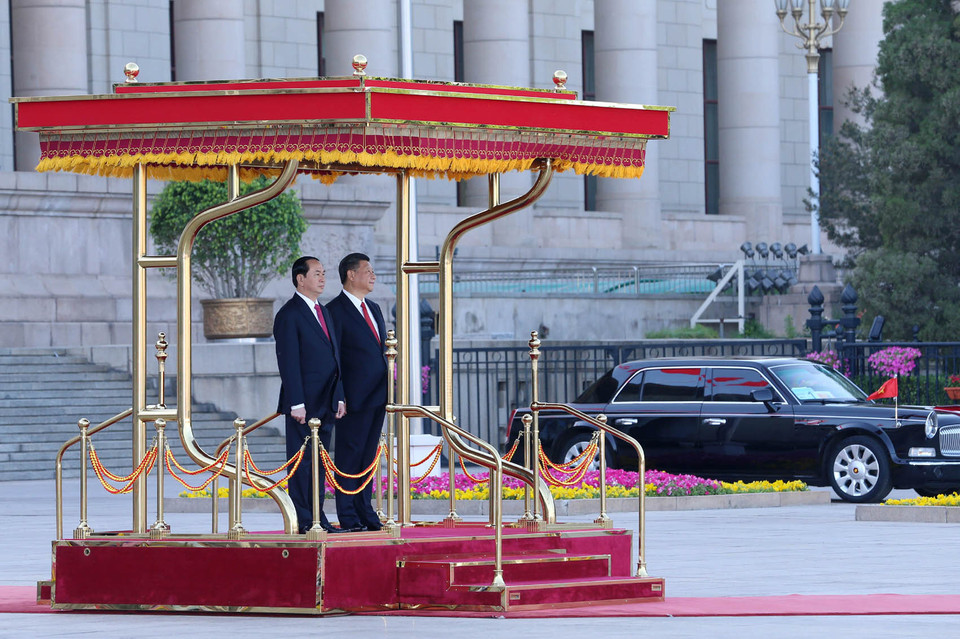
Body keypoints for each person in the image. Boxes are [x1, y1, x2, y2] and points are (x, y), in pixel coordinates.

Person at [273, 256, 349, 534]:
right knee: (302, 465)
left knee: (319, 464)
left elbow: (335, 358)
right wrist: (296, 402)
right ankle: (305, 520)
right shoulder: (289, 314)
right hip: (303, 406)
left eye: (323, 273)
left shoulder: (323, 312)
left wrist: (339, 395)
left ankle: (319, 517)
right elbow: (288, 362)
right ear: (300, 279)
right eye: (316, 273)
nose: (322, 278)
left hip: (326, 402)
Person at [326, 252, 388, 531]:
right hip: (352, 398)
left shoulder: (373, 308)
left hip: (377, 395)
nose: (373, 276)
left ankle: (365, 511)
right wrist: (339, 394)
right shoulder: (334, 311)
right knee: (349, 456)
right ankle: (348, 515)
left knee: (368, 457)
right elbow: (334, 359)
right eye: (368, 270)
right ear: (351, 275)